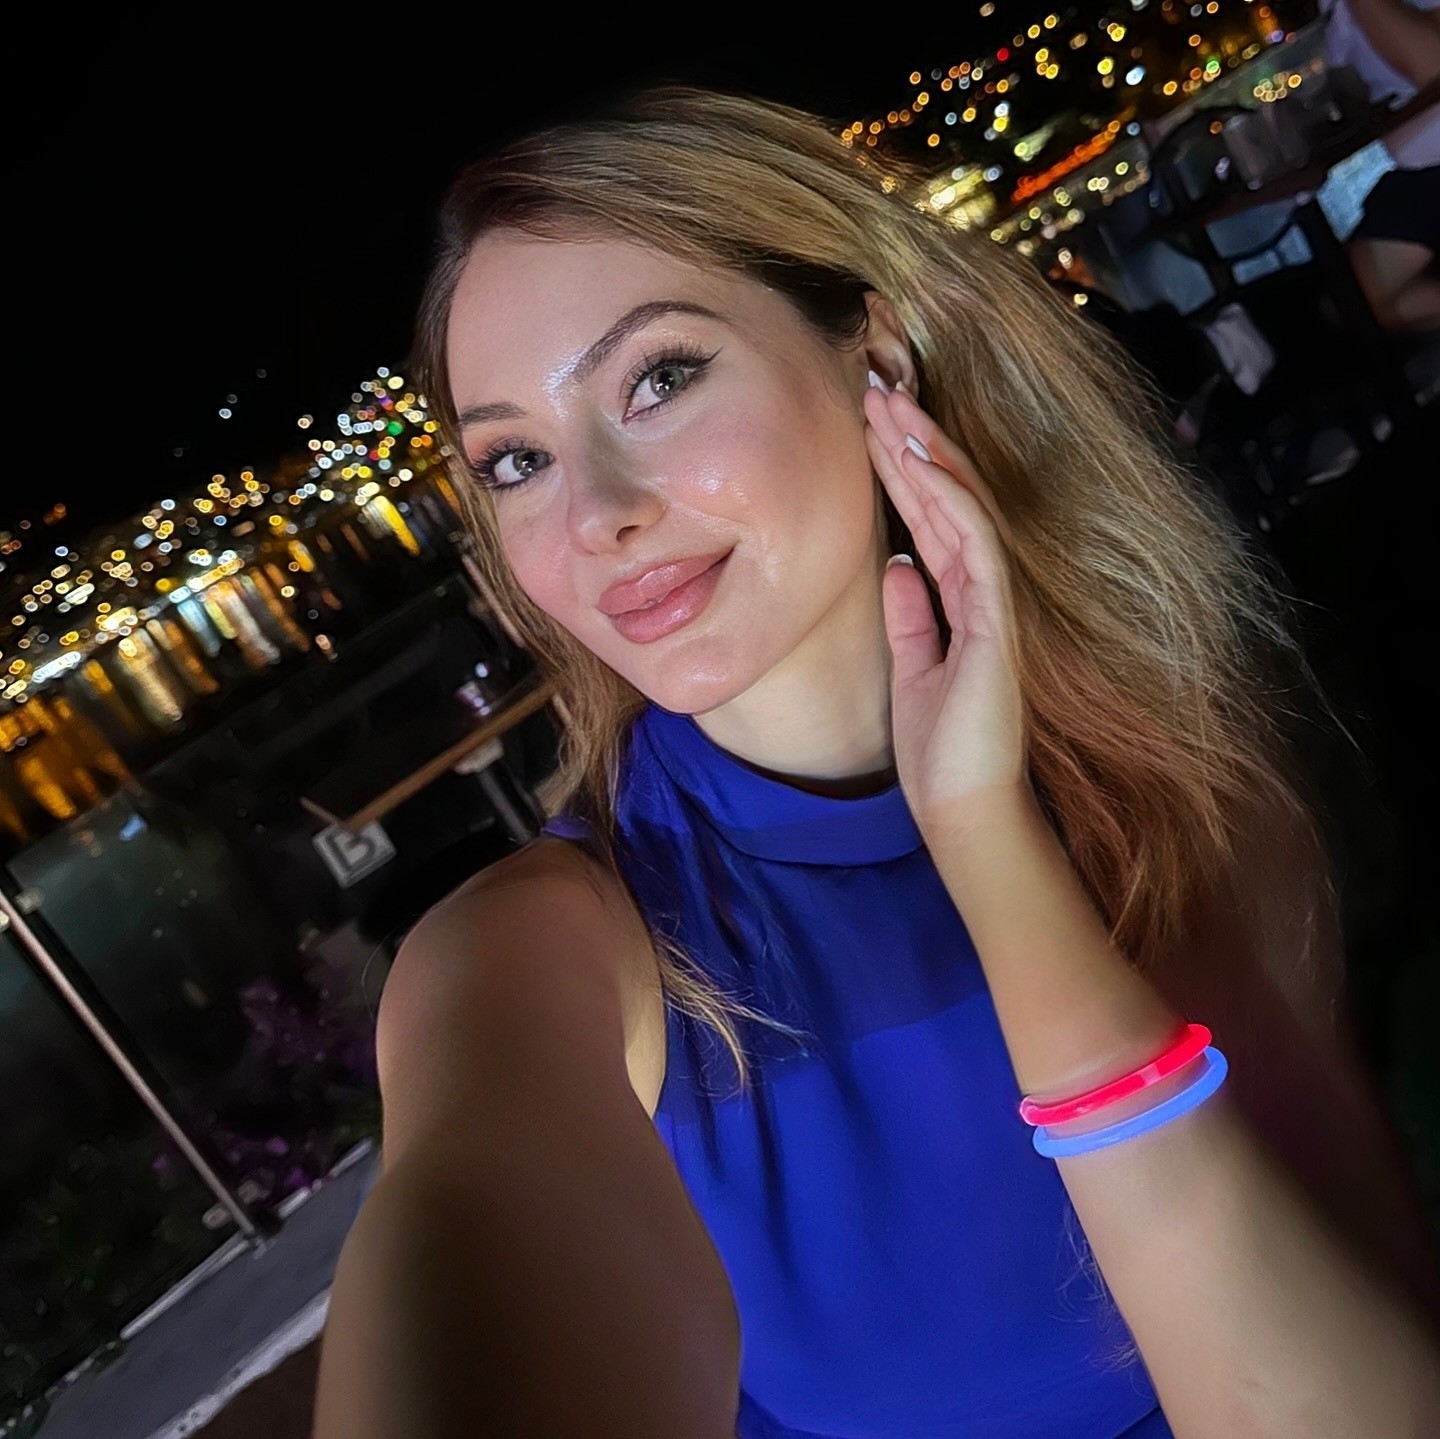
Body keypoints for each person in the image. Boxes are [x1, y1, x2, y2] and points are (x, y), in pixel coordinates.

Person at [312, 89, 1440, 1437]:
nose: (596, 513)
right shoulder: (536, 959)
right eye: (515, 459)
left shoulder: (1171, 773)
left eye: (658, 379)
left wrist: (986, 838)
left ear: (875, 355)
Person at [1324, 0, 1440, 331]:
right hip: (1417, 165)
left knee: (1366, 301)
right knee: (1363, 301)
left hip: (1428, 157)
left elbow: (1433, 66)